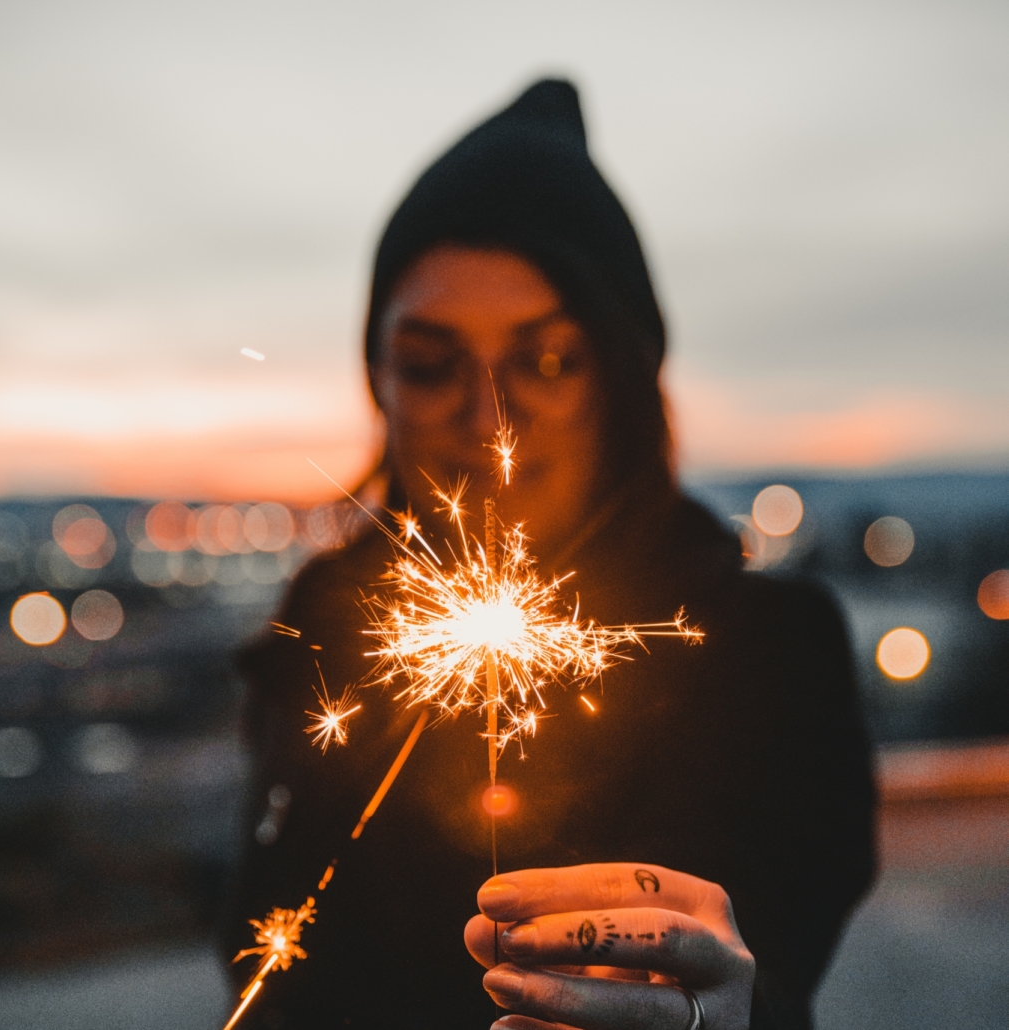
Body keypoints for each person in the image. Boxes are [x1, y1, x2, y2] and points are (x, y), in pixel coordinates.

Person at [224, 80, 875, 1030]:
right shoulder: (321, 626)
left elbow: (773, 954)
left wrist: (731, 1011)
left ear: (622, 377)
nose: (489, 422)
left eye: (549, 359)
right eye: (431, 362)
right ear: (378, 382)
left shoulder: (767, 651)